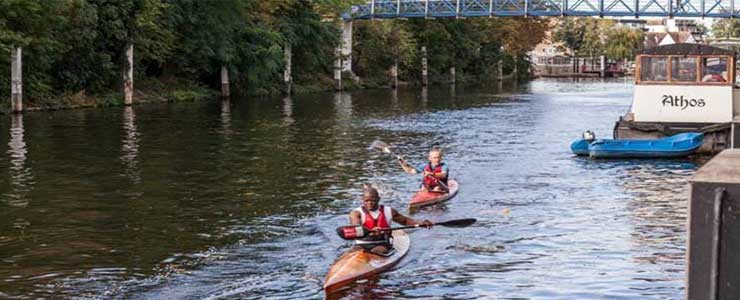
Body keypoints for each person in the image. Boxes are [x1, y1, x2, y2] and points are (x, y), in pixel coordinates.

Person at [349, 187, 432, 255]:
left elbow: (405, 221)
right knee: (350, 253)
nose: (370, 203)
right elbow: (356, 227)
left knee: (378, 251)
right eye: (366, 201)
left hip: (381, 243)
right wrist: (370, 231)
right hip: (361, 244)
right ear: (362, 200)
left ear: (378, 199)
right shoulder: (356, 213)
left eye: (373, 200)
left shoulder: (389, 211)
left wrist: (422, 223)